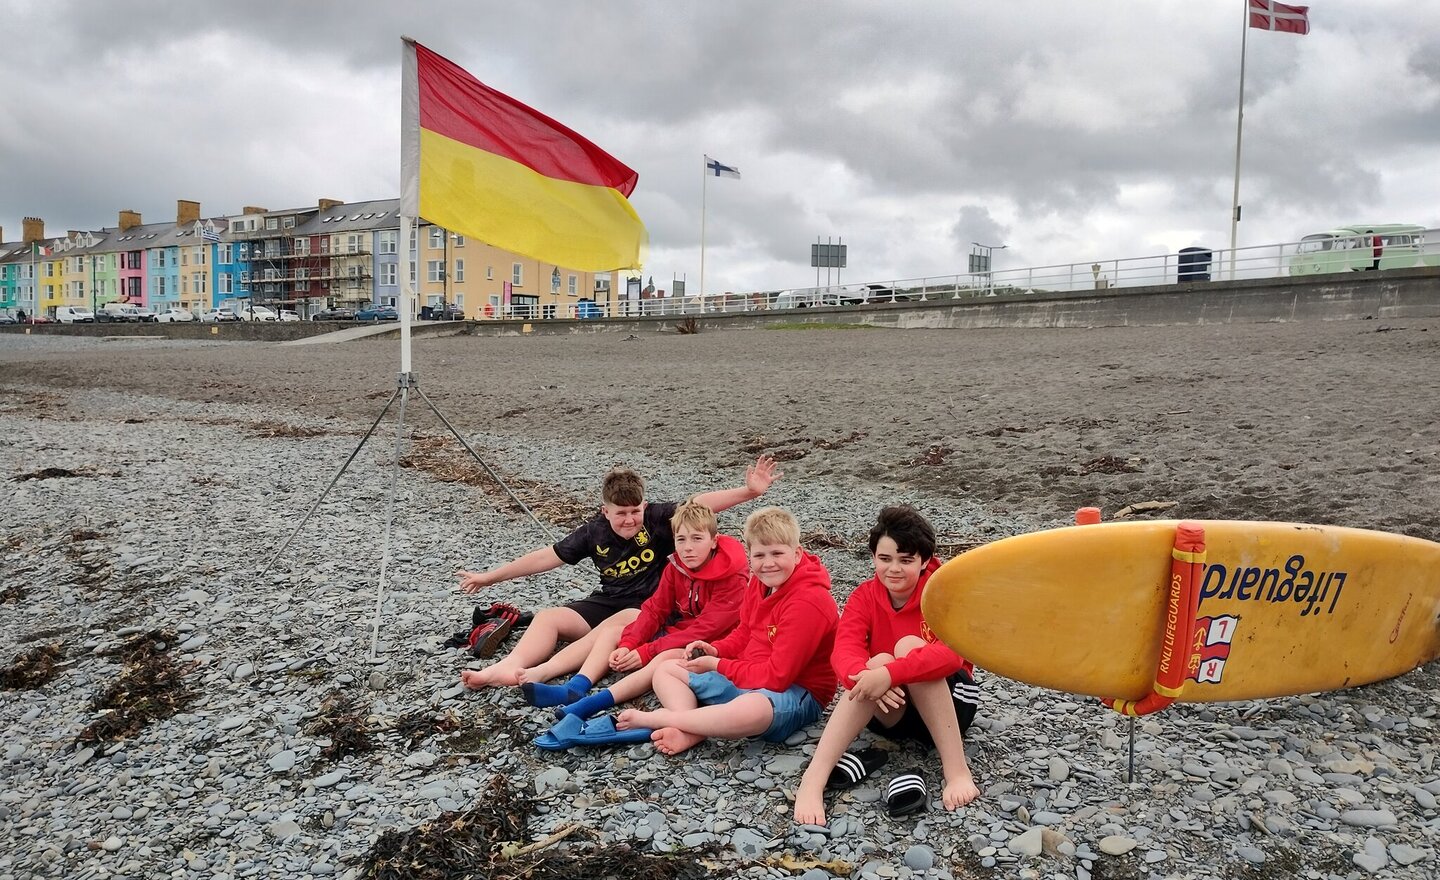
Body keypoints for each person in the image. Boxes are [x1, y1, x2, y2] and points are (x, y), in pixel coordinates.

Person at [457, 455, 779, 689]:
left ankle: (552, 673)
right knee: (548, 617)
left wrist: (749, 492)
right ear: (605, 511)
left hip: (649, 609)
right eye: (621, 513)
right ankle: (509, 666)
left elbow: (697, 505)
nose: (629, 520)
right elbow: (546, 557)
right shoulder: (593, 532)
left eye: (635, 511)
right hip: (609, 599)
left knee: (615, 623)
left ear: (644, 506)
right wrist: (490, 577)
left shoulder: (657, 518)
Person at [792, 506, 980, 826]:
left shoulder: (943, 594)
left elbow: (952, 656)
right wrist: (871, 675)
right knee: (874, 662)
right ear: (873, 557)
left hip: (951, 703)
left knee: (907, 648)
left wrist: (889, 674)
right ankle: (813, 779)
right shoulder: (864, 596)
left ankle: (957, 771)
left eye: (906, 560)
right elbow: (843, 651)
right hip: (891, 709)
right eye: (885, 558)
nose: (894, 569)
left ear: (924, 561)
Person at [613, 506, 838, 755]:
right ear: (750, 555)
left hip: (796, 691)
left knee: (752, 709)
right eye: (759, 555)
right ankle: (693, 728)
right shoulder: (760, 582)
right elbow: (744, 633)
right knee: (667, 669)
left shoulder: (808, 602)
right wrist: (716, 650)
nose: (768, 563)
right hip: (750, 672)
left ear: (797, 554)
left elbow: (778, 677)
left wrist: (718, 665)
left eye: (777, 553)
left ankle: (664, 718)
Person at [523, 499, 748, 725]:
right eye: (681, 539)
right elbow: (655, 608)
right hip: (683, 631)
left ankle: (593, 703)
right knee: (614, 633)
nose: (688, 547)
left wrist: (646, 651)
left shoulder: (733, 578)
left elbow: (706, 629)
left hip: (715, 643)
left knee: (664, 657)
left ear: (714, 541)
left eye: (697, 538)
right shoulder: (677, 565)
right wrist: (629, 644)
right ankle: (576, 687)